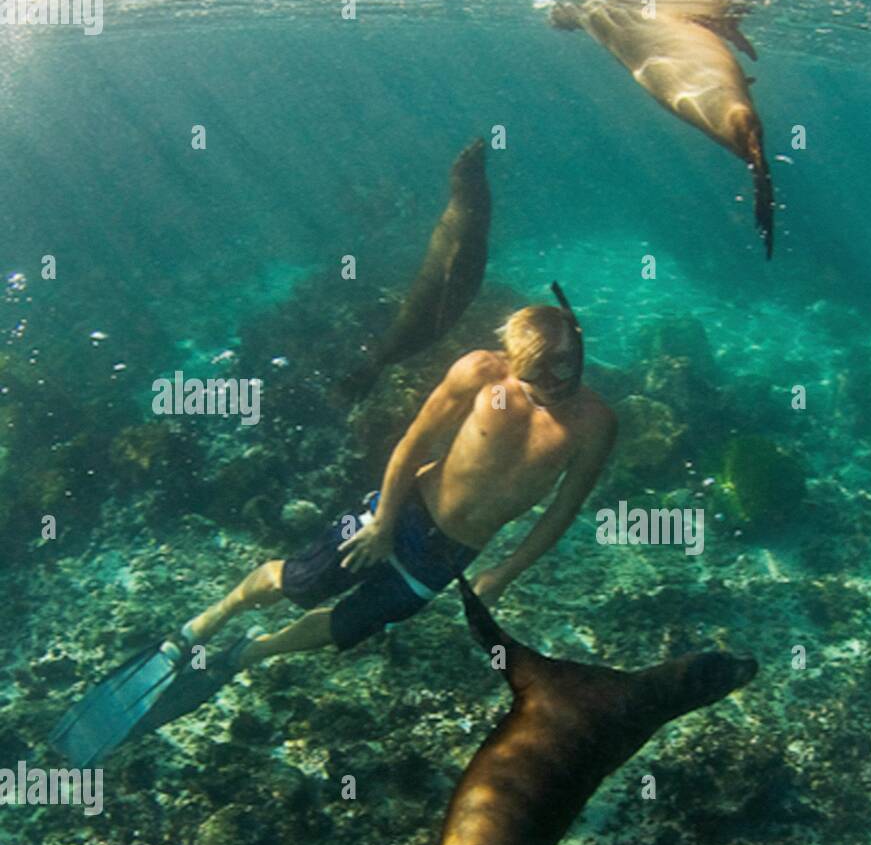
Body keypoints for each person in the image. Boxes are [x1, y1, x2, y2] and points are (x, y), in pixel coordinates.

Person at [50, 291, 616, 768]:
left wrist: (505, 572)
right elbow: (412, 443)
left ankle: (248, 653)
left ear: (580, 346)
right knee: (302, 583)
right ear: (514, 360)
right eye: (540, 370)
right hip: (409, 508)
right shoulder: (478, 372)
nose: (557, 380)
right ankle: (204, 624)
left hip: (451, 555)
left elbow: (562, 511)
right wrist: (384, 521)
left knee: (352, 625)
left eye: (568, 364)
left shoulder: (594, 425)